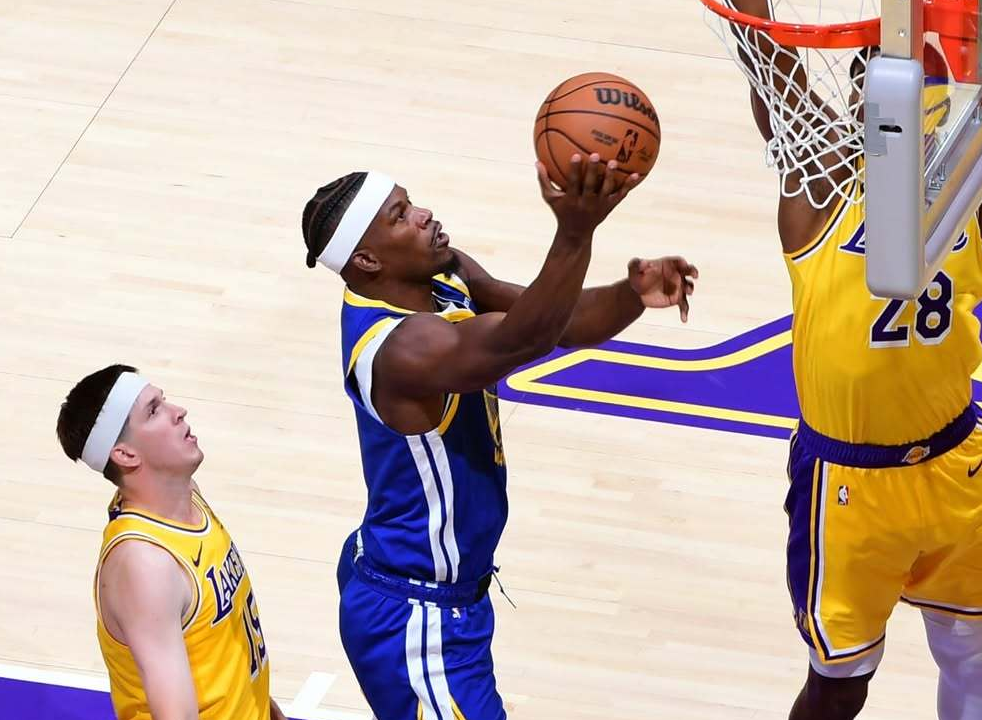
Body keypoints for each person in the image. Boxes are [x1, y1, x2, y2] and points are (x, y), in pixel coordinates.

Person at [300, 155, 698, 719]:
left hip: (441, 593)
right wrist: (574, 232)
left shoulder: (444, 274)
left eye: (411, 202)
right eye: (400, 216)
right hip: (414, 616)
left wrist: (630, 294)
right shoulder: (402, 351)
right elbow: (522, 339)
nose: (424, 214)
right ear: (367, 259)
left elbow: (560, 321)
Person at [721, 3, 982, 719]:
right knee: (839, 686)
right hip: (850, 484)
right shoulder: (822, 187)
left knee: (976, 657)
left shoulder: (964, 184)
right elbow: (773, 69)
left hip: (958, 460)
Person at [56, 364, 287, 720]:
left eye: (163, 401)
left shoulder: (186, 498)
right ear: (125, 454)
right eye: (153, 411)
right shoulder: (145, 565)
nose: (178, 412)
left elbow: (227, 656)